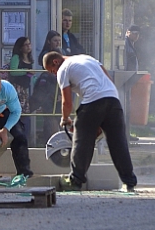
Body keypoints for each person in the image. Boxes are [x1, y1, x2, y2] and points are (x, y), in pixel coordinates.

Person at [43, 51, 137, 193]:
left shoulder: (63, 69)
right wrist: (99, 120)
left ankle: (75, 181)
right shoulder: (87, 58)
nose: (54, 74)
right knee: (118, 143)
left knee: (82, 142)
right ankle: (129, 182)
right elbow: (108, 78)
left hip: (93, 100)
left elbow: (66, 102)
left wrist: (65, 119)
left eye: (52, 70)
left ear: (55, 62)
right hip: (113, 99)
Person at [9, 35, 34, 137]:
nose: (28, 46)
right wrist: (25, 71)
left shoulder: (29, 58)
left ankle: (24, 134)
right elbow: (13, 71)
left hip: (25, 88)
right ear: (20, 47)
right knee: (18, 111)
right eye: (26, 45)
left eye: (29, 44)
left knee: (25, 112)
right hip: (17, 87)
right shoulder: (16, 57)